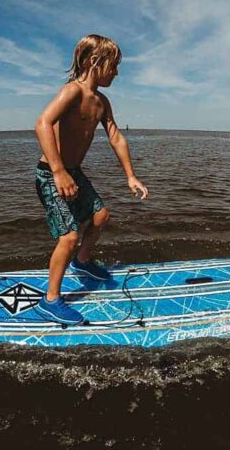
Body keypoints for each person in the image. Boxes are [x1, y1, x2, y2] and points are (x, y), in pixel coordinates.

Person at [34, 34, 148, 324]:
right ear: (93, 62)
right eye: (114, 66)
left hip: (74, 172)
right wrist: (58, 171)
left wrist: (131, 176)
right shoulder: (72, 91)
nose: (117, 72)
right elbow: (43, 123)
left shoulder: (102, 102)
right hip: (51, 174)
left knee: (100, 216)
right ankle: (50, 300)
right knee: (69, 236)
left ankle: (82, 262)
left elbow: (116, 137)